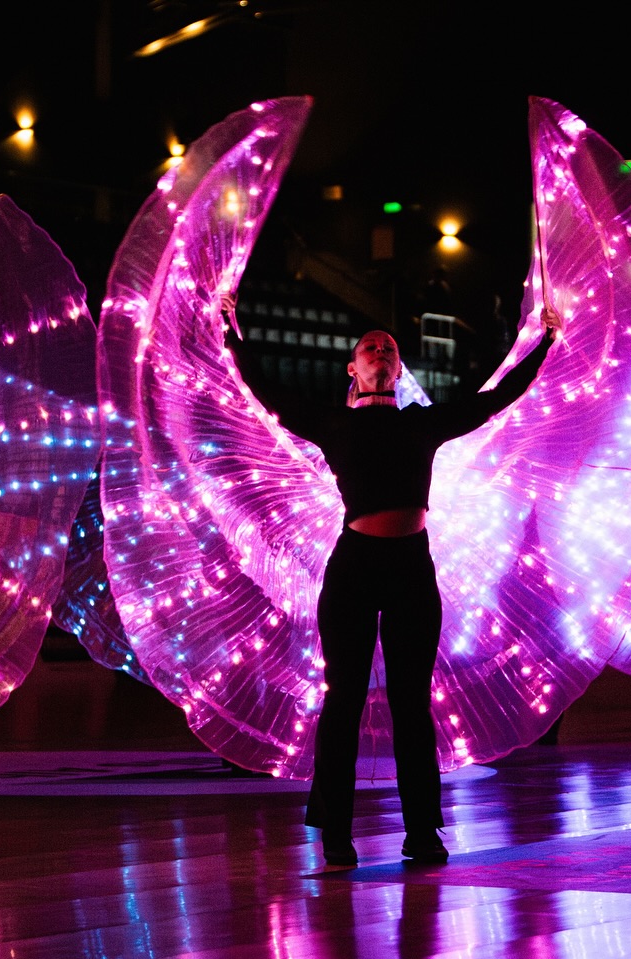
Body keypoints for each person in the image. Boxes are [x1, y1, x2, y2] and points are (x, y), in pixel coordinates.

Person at [226, 298, 561, 866]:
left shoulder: (422, 423)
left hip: (411, 566)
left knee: (411, 703)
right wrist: (231, 333)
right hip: (354, 568)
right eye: (370, 348)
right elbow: (267, 393)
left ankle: (423, 832)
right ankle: (336, 833)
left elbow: (497, 399)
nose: (380, 351)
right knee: (344, 699)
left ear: (399, 369)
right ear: (353, 369)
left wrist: (546, 342)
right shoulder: (334, 423)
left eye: (389, 348)